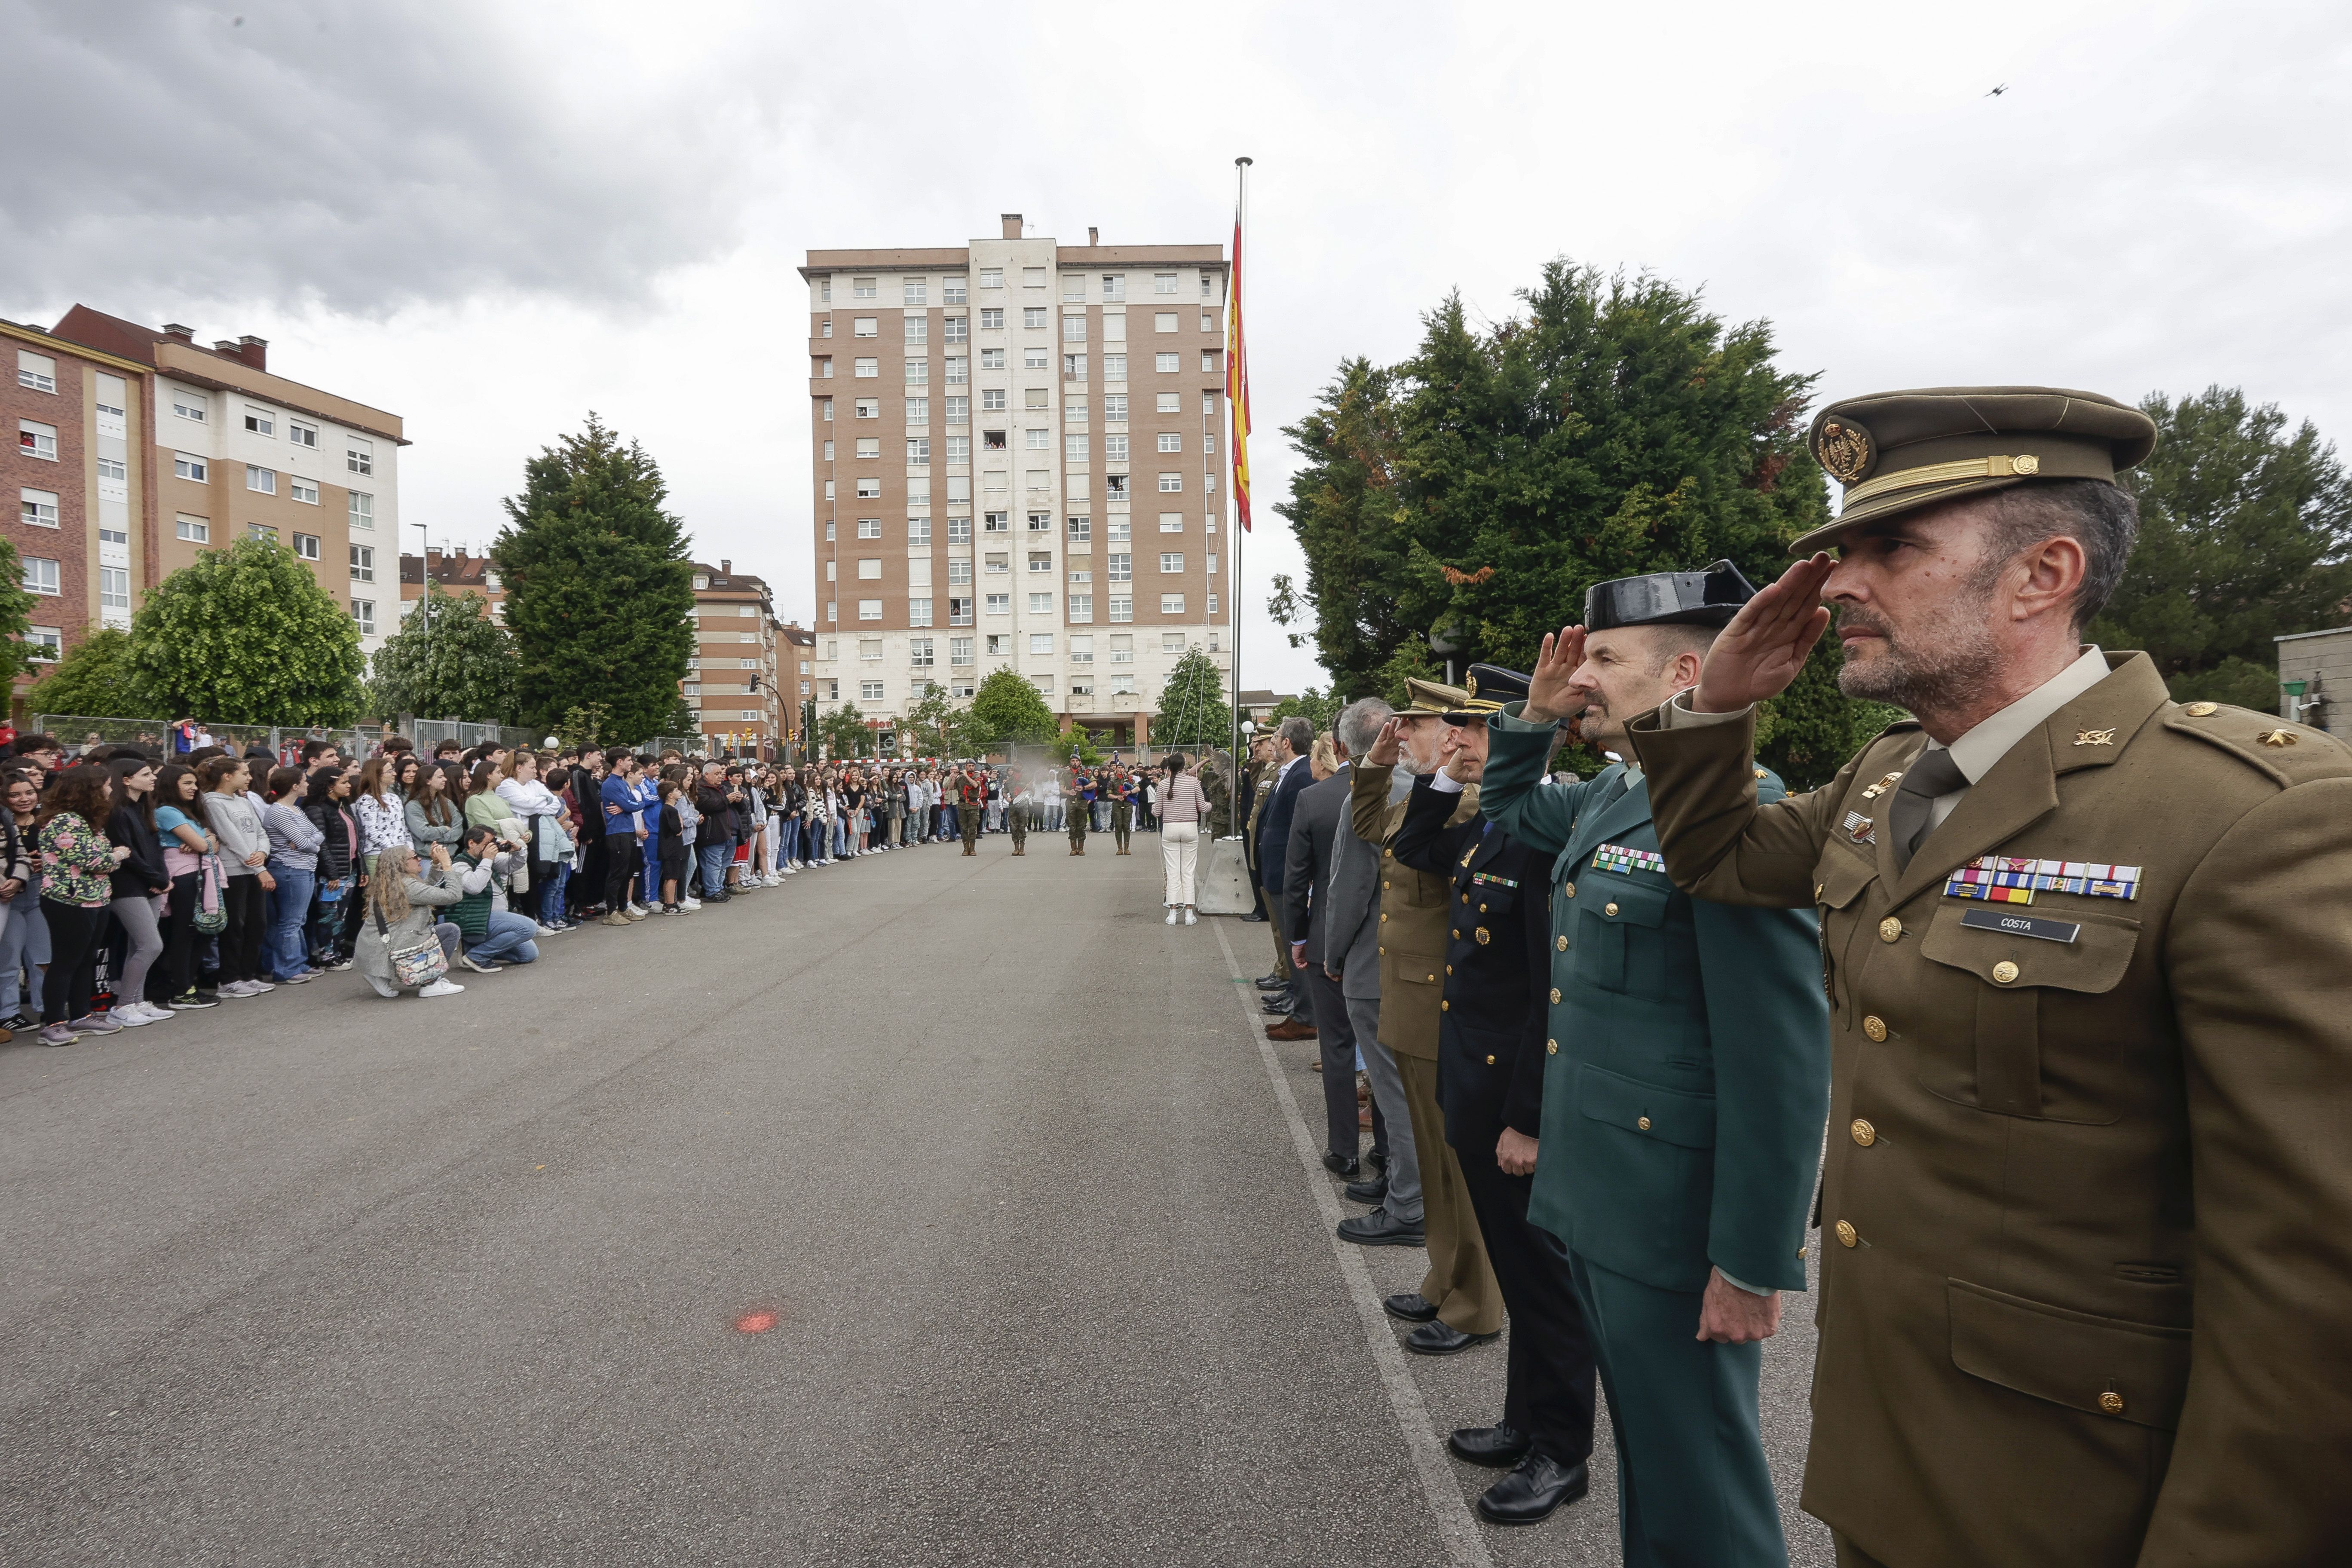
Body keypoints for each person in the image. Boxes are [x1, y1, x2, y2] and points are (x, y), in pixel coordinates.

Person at [1627, 387, 2352, 1566]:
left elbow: (2315, 1304)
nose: (1839, 583)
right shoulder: (1888, 777)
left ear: (2041, 576)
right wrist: (1715, 708)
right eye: (1842, 548)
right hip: (1893, 1456)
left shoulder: (2248, 817)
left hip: (2077, 1500)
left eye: (1892, 548)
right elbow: (1717, 861)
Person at [1485, 567, 1830, 1568]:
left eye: (1602, 660)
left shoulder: (1738, 816)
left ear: (1685, 671)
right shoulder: (1611, 796)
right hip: (1599, 1197)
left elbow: (1777, 1057)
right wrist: (1534, 719)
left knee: (1701, 1477)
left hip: (1672, 1219)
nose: (1581, 678)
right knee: (1651, 1454)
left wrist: (1751, 1259)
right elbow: (1508, 811)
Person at [1385, 679, 1599, 1525]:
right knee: (1517, 1266)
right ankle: (1524, 1422)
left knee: (1545, 1284)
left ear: (1529, 739)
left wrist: (1529, 1119)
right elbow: (1416, 849)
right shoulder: (1488, 821)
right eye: (1464, 730)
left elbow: (1552, 992)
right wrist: (1440, 779)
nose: (1464, 743)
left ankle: (1563, 1450)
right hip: (1476, 1086)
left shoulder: (1547, 834)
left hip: (1514, 1100)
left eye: (1482, 731)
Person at [1343, 678, 1509, 1355]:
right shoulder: (1423, 798)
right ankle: (1445, 1278)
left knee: (1459, 1164)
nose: (1400, 733)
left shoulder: (1467, 802)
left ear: (1455, 737)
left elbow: (1411, 848)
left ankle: (1476, 1304)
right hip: (1412, 999)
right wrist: (1379, 764)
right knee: (1438, 1162)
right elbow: (1368, 828)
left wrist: (1418, 773)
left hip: (1444, 1001)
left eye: (1411, 725)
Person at [34, 766, 129, 1044]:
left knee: (86, 960)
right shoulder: (66, 822)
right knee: (65, 962)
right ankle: (53, 1023)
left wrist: (110, 856)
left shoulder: (87, 821)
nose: (110, 791)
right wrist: (119, 854)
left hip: (94, 898)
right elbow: (93, 861)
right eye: (107, 785)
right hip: (68, 900)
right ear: (91, 789)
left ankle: (81, 1015)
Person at [102, 756, 176, 1024]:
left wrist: (163, 878)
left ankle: (138, 1000)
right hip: (128, 886)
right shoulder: (117, 811)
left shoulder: (144, 807)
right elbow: (127, 854)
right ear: (127, 779)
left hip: (152, 884)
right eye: (146, 774)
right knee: (151, 945)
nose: (153, 778)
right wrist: (156, 877)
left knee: (139, 947)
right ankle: (123, 1006)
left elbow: (154, 850)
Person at [1256, 717, 1317, 1041]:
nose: (1272, 742)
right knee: (1290, 942)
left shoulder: (1303, 774)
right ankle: (1300, 1007)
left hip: (1290, 875)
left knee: (1297, 943)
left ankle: (1307, 1015)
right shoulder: (1288, 773)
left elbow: (1303, 831)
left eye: (1276, 737)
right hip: (1278, 872)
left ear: (1287, 743)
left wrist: (1303, 879)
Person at [199, 755, 274, 998]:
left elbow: (260, 831)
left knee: (257, 924)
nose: (250, 778)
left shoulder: (243, 801)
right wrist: (259, 868)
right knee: (235, 926)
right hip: (234, 872)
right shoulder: (213, 802)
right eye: (244, 773)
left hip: (254, 868)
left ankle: (248, 974)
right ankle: (229, 979)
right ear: (227, 776)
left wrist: (263, 852)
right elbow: (231, 838)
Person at [354, 842, 465, 999]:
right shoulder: (408, 887)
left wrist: (434, 864)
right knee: (449, 932)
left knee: (449, 930)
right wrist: (447, 865)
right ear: (402, 864)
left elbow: (425, 891)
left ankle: (379, 976)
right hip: (397, 941)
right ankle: (431, 983)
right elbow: (453, 896)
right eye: (415, 857)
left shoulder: (395, 883)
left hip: (380, 943)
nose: (420, 859)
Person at [260, 765, 326, 986]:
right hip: (290, 869)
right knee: (290, 921)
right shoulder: (278, 812)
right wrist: (311, 844)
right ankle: (286, 968)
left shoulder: (296, 810)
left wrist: (311, 844)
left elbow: (317, 835)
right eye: (304, 781)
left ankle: (298, 963)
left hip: (304, 868)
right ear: (295, 786)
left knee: (299, 919)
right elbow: (305, 842)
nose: (308, 784)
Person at [449, 825, 536, 972]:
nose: (491, 848)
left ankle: (475, 949)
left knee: (529, 954)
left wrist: (517, 851)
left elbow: (515, 865)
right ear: (472, 843)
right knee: (529, 927)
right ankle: (477, 956)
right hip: (476, 920)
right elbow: (474, 887)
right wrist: (487, 860)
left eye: (493, 843)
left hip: (495, 919)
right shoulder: (460, 865)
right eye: (487, 844)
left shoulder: (487, 861)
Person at [0, 770, 49, 1031]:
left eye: (29, 792)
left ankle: (46, 1009)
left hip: (41, 892)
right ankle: (7, 1012)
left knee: (43, 956)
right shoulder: (5, 821)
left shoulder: (47, 820)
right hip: (10, 894)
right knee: (9, 958)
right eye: (15, 794)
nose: (24, 799)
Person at [599, 756, 649, 924]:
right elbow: (631, 806)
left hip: (629, 831)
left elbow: (637, 803)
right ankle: (611, 912)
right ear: (619, 762)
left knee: (627, 873)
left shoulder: (622, 782)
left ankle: (623, 907)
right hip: (617, 833)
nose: (630, 763)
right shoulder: (610, 784)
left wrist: (628, 805)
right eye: (628, 760)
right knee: (617, 873)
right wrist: (628, 806)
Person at [1108, 765, 1136, 854]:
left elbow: (1138, 788)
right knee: (1119, 826)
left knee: (1127, 827)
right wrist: (1117, 797)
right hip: (1117, 805)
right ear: (1117, 769)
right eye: (1119, 768)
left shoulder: (1129, 780)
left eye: (1122, 768)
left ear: (1124, 769)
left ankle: (1127, 848)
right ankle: (1120, 848)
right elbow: (1109, 794)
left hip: (1128, 804)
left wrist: (1130, 792)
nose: (1120, 769)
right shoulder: (1113, 780)